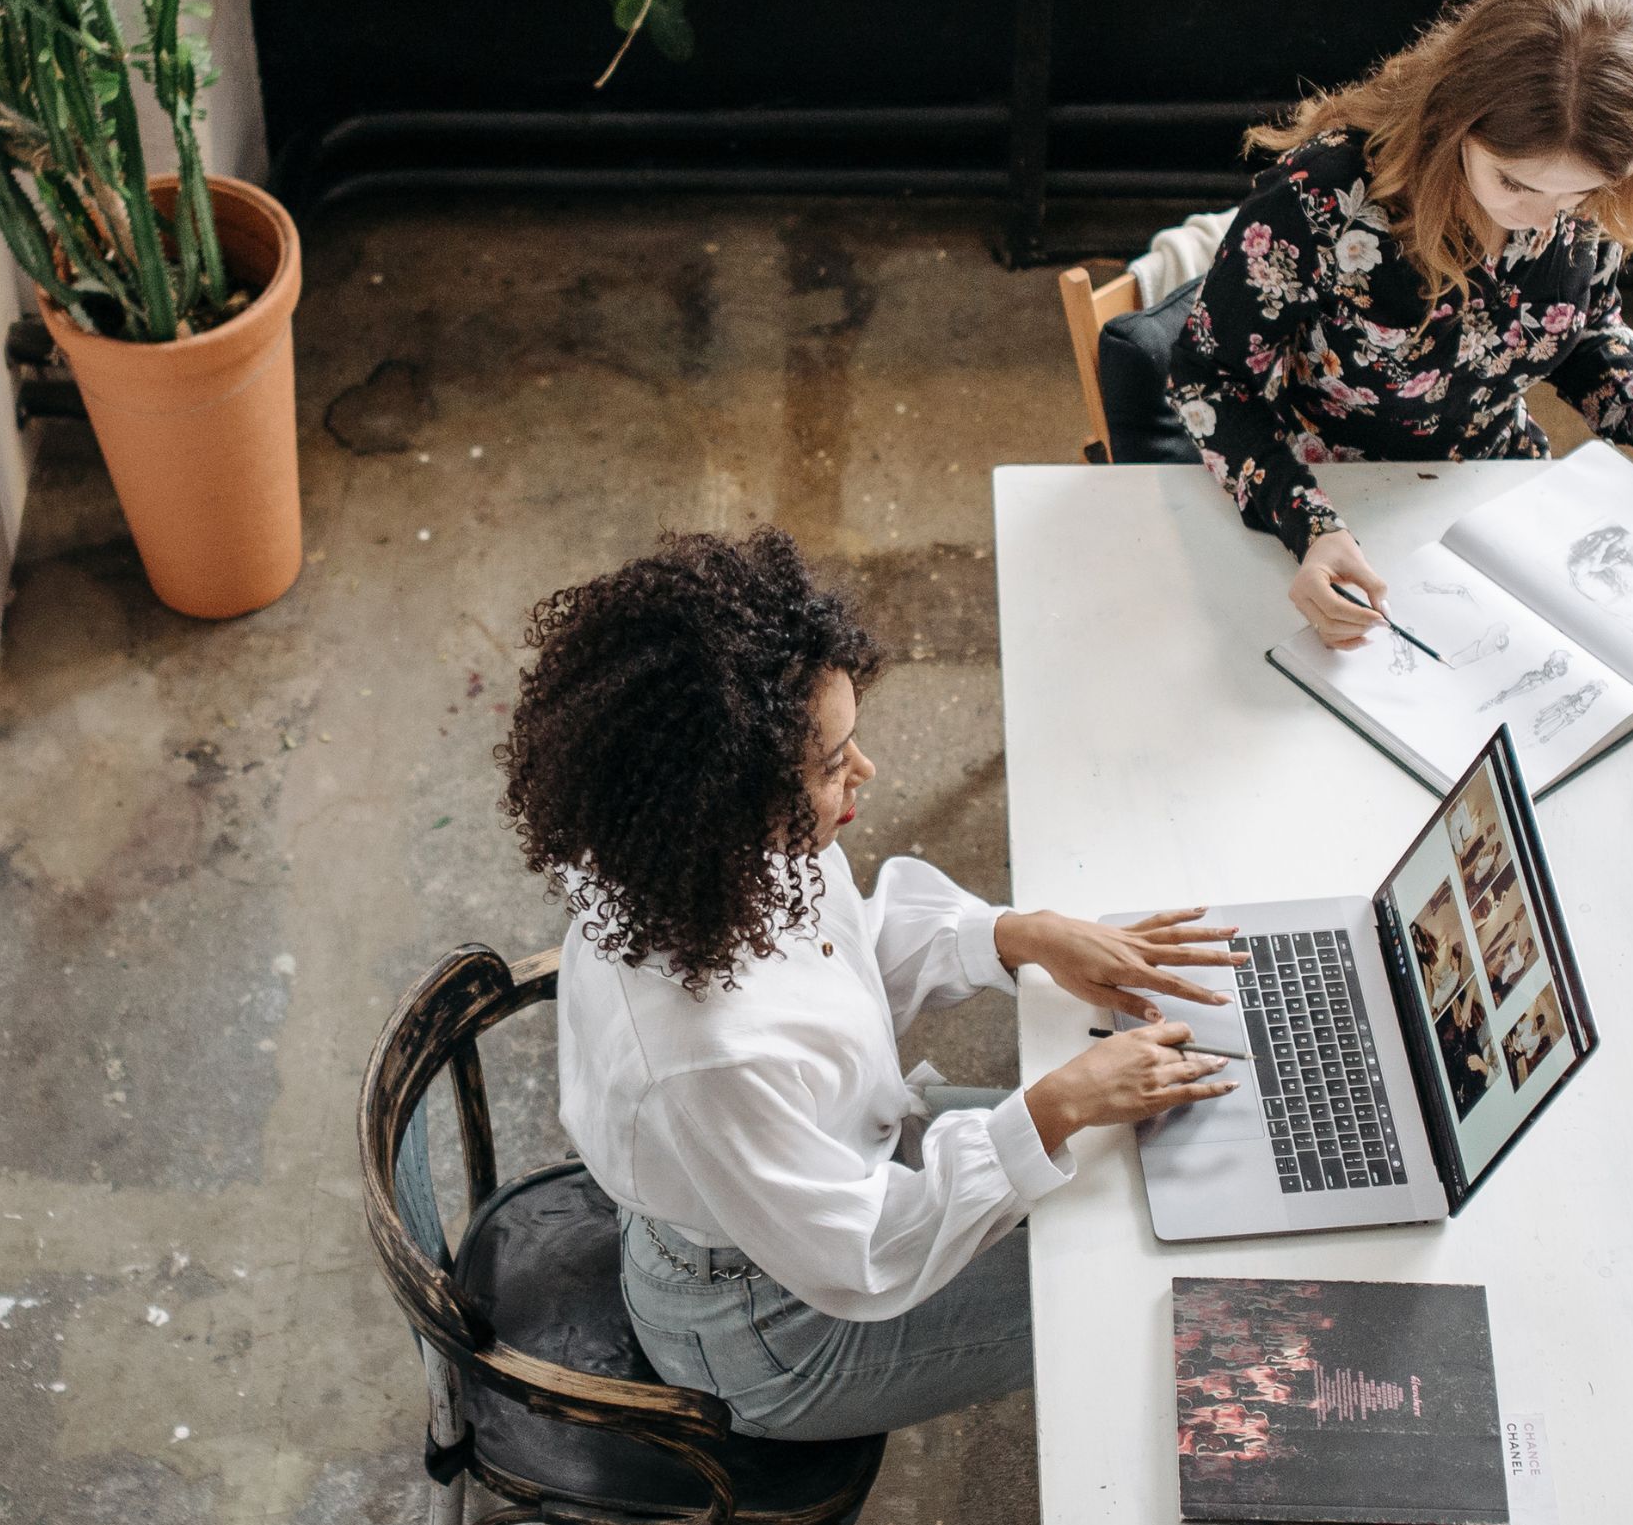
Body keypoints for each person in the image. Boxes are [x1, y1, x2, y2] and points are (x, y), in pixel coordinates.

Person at [499, 532, 1237, 1439]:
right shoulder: (704, 1054)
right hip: (780, 1322)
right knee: (1137, 1274)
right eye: (831, 764)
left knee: (1166, 1157)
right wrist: (1047, 1110)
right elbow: (862, 1252)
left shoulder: (705, 861)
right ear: (728, 795)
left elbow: (837, 957)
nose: (866, 772)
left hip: (807, 1189)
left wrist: (1018, 936)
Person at [1166, 0, 1633, 651]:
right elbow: (1206, 376)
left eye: (1577, 195)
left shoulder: (1583, 201)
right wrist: (1308, 524)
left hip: (1502, 489)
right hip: (1336, 495)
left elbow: (1581, 333)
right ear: (1457, 116)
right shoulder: (1326, 198)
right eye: (1515, 182)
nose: (1541, 220)